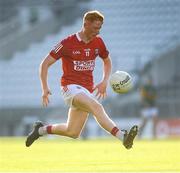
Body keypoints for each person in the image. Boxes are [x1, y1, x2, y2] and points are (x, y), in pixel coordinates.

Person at [25, 10, 138, 149]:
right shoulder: (67, 43)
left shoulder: (98, 42)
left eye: (100, 28)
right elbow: (45, 64)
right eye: (95, 28)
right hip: (70, 88)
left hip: (86, 90)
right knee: (97, 107)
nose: (98, 32)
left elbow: (107, 61)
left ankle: (40, 130)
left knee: (72, 132)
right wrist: (44, 88)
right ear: (86, 24)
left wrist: (104, 81)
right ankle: (122, 136)